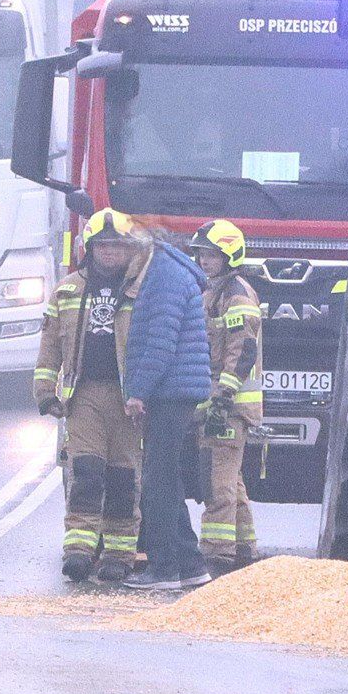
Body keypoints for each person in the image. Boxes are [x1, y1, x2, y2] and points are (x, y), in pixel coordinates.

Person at [33, 209, 146, 584]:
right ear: (89, 249)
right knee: (86, 472)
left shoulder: (141, 290)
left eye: (117, 246)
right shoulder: (67, 290)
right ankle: (79, 550)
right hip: (83, 396)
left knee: (122, 476)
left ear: (129, 250)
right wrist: (45, 392)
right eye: (103, 246)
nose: (110, 254)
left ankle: (118, 552)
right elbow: (49, 346)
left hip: (128, 399)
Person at [119, 226, 216, 592]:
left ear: (138, 249)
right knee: (167, 478)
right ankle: (190, 564)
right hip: (177, 389)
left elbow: (160, 342)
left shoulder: (163, 277)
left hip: (170, 391)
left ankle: (163, 569)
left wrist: (137, 392)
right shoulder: (169, 271)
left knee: (157, 482)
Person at [186, 220, 266, 572]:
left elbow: (242, 350)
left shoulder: (236, 295)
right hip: (218, 403)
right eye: (202, 254)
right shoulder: (213, 291)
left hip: (229, 407)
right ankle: (245, 548)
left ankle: (217, 553)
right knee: (231, 479)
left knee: (217, 481)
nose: (205, 261)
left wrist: (222, 398)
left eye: (213, 255)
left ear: (230, 255)